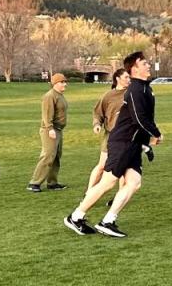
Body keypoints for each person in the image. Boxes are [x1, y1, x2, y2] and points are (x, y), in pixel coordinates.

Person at [65, 52, 161, 237]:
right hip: (122, 142)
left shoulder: (144, 88)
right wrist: (156, 133)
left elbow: (142, 120)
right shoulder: (134, 89)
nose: (148, 65)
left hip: (132, 143)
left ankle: (108, 221)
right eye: (144, 63)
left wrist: (145, 143)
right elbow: (139, 118)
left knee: (134, 182)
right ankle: (76, 216)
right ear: (134, 68)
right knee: (108, 182)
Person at [86, 67, 129, 190]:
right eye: (126, 77)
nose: (128, 80)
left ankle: (120, 195)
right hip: (110, 135)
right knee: (102, 165)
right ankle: (89, 192)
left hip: (126, 136)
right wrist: (97, 124)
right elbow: (98, 112)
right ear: (118, 79)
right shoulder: (108, 96)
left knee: (124, 167)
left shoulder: (131, 94)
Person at [28, 73, 70, 193]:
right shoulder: (50, 96)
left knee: (56, 156)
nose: (65, 84)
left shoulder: (60, 95)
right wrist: (50, 128)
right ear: (55, 83)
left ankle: (52, 182)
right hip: (50, 130)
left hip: (58, 130)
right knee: (48, 155)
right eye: (62, 82)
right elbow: (47, 114)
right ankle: (34, 183)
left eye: (65, 81)